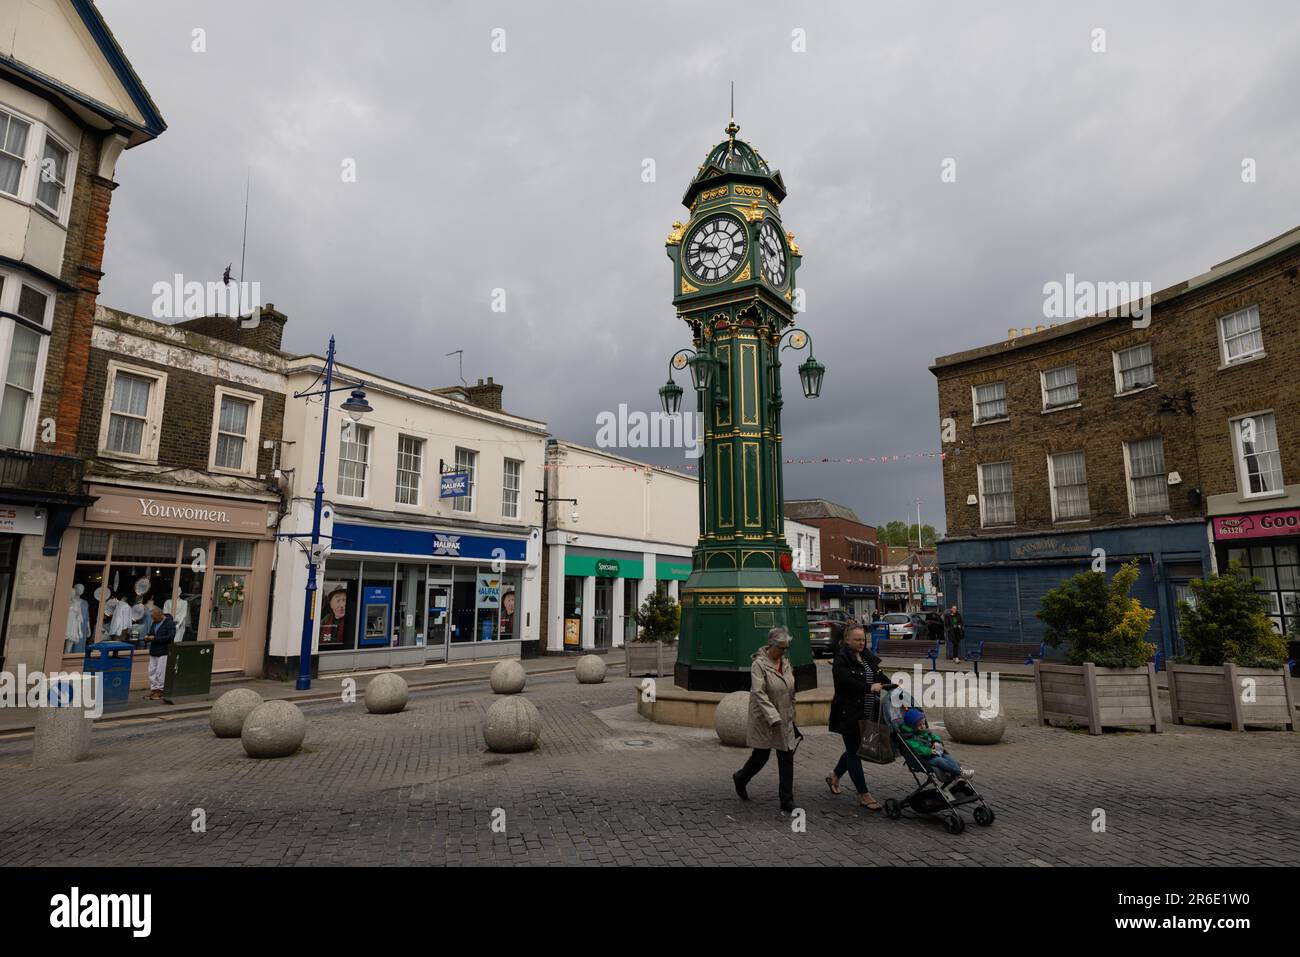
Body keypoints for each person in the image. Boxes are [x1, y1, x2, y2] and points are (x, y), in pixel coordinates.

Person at [732, 628, 800, 813]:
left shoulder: (786, 663)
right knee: (760, 757)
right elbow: (759, 693)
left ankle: (786, 799)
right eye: (781, 648)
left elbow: (791, 690)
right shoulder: (759, 665)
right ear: (771, 645)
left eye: (786, 648)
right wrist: (773, 716)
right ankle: (741, 778)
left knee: (786, 756)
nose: (784, 652)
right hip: (765, 718)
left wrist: (792, 714)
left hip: (784, 717)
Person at [826, 623, 885, 810]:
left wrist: (894, 685)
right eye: (857, 639)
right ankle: (863, 794)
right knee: (854, 752)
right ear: (847, 640)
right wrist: (868, 688)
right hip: (848, 713)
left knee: (856, 749)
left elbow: (879, 675)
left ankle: (835, 776)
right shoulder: (841, 658)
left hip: (868, 712)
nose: (861, 643)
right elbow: (845, 682)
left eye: (863, 639)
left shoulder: (867, 656)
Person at [898, 707, 975, 784]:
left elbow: (933, 736)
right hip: (925, 760)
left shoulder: (924, 731)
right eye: (919, 725)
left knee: (948, 757)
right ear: (912, 726)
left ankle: (957, 775)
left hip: (935, 752)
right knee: (940, 761)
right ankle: (960, 773)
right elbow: (917, 748)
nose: (923, 726)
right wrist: (929, 751)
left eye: (923, 723)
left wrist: (936, 741)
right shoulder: (910, 738)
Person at [143, 607, 176, 701]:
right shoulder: (155, 622)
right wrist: (147, 637)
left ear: (161, 615)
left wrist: (155, 638)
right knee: (152, 671)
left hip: (163, 651)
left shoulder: (170, 623)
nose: (153, 619)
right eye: (152, 618)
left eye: (154, 617)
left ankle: (161, 690)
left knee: (160, 672)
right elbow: (151, 633)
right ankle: (154, 689)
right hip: (154, 650)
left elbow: (170, 637)